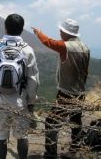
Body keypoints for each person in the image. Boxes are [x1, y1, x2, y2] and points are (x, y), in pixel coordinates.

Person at [0, 14, 39, 159]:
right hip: (20, 101)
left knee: (0, 139)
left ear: (5, 27)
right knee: (22, 136)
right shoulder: (27, 50)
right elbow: (33, 79)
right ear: (21, 30)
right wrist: (31, 100)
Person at [32, 18, 90, 158]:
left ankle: (51, 154)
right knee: (75, 121)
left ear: (66, 32)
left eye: (61, 31)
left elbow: (48, 42)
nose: (59, 33)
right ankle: (75, 148)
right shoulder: (85, 47)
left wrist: (38, 33)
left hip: (66, 93)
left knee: (51, 122)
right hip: (80, 92)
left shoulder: (65, 46)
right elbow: (86, 71)